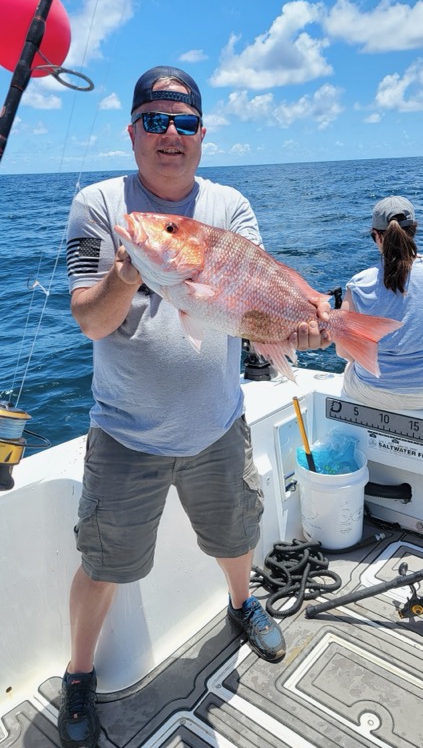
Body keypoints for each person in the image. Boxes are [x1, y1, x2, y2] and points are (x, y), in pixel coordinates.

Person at [59, 65, 331, 748]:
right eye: (155, 120)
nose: (170, 134)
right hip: (124, 432)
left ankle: (244, 604)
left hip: (217, 423)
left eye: (184, 123)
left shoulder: (230, 207)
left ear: (202, 135)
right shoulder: (101, 205)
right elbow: (90, 320)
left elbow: (253, 308)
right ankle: (80, 676)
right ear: (132, 131)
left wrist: (292, 332)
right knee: (103, 563)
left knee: (236, 538)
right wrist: (129, 270)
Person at [338, 195, 423, 409]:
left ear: (375, 236)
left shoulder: (359, 284)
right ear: (413, 231)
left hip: (373, 392)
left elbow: (344, 352)